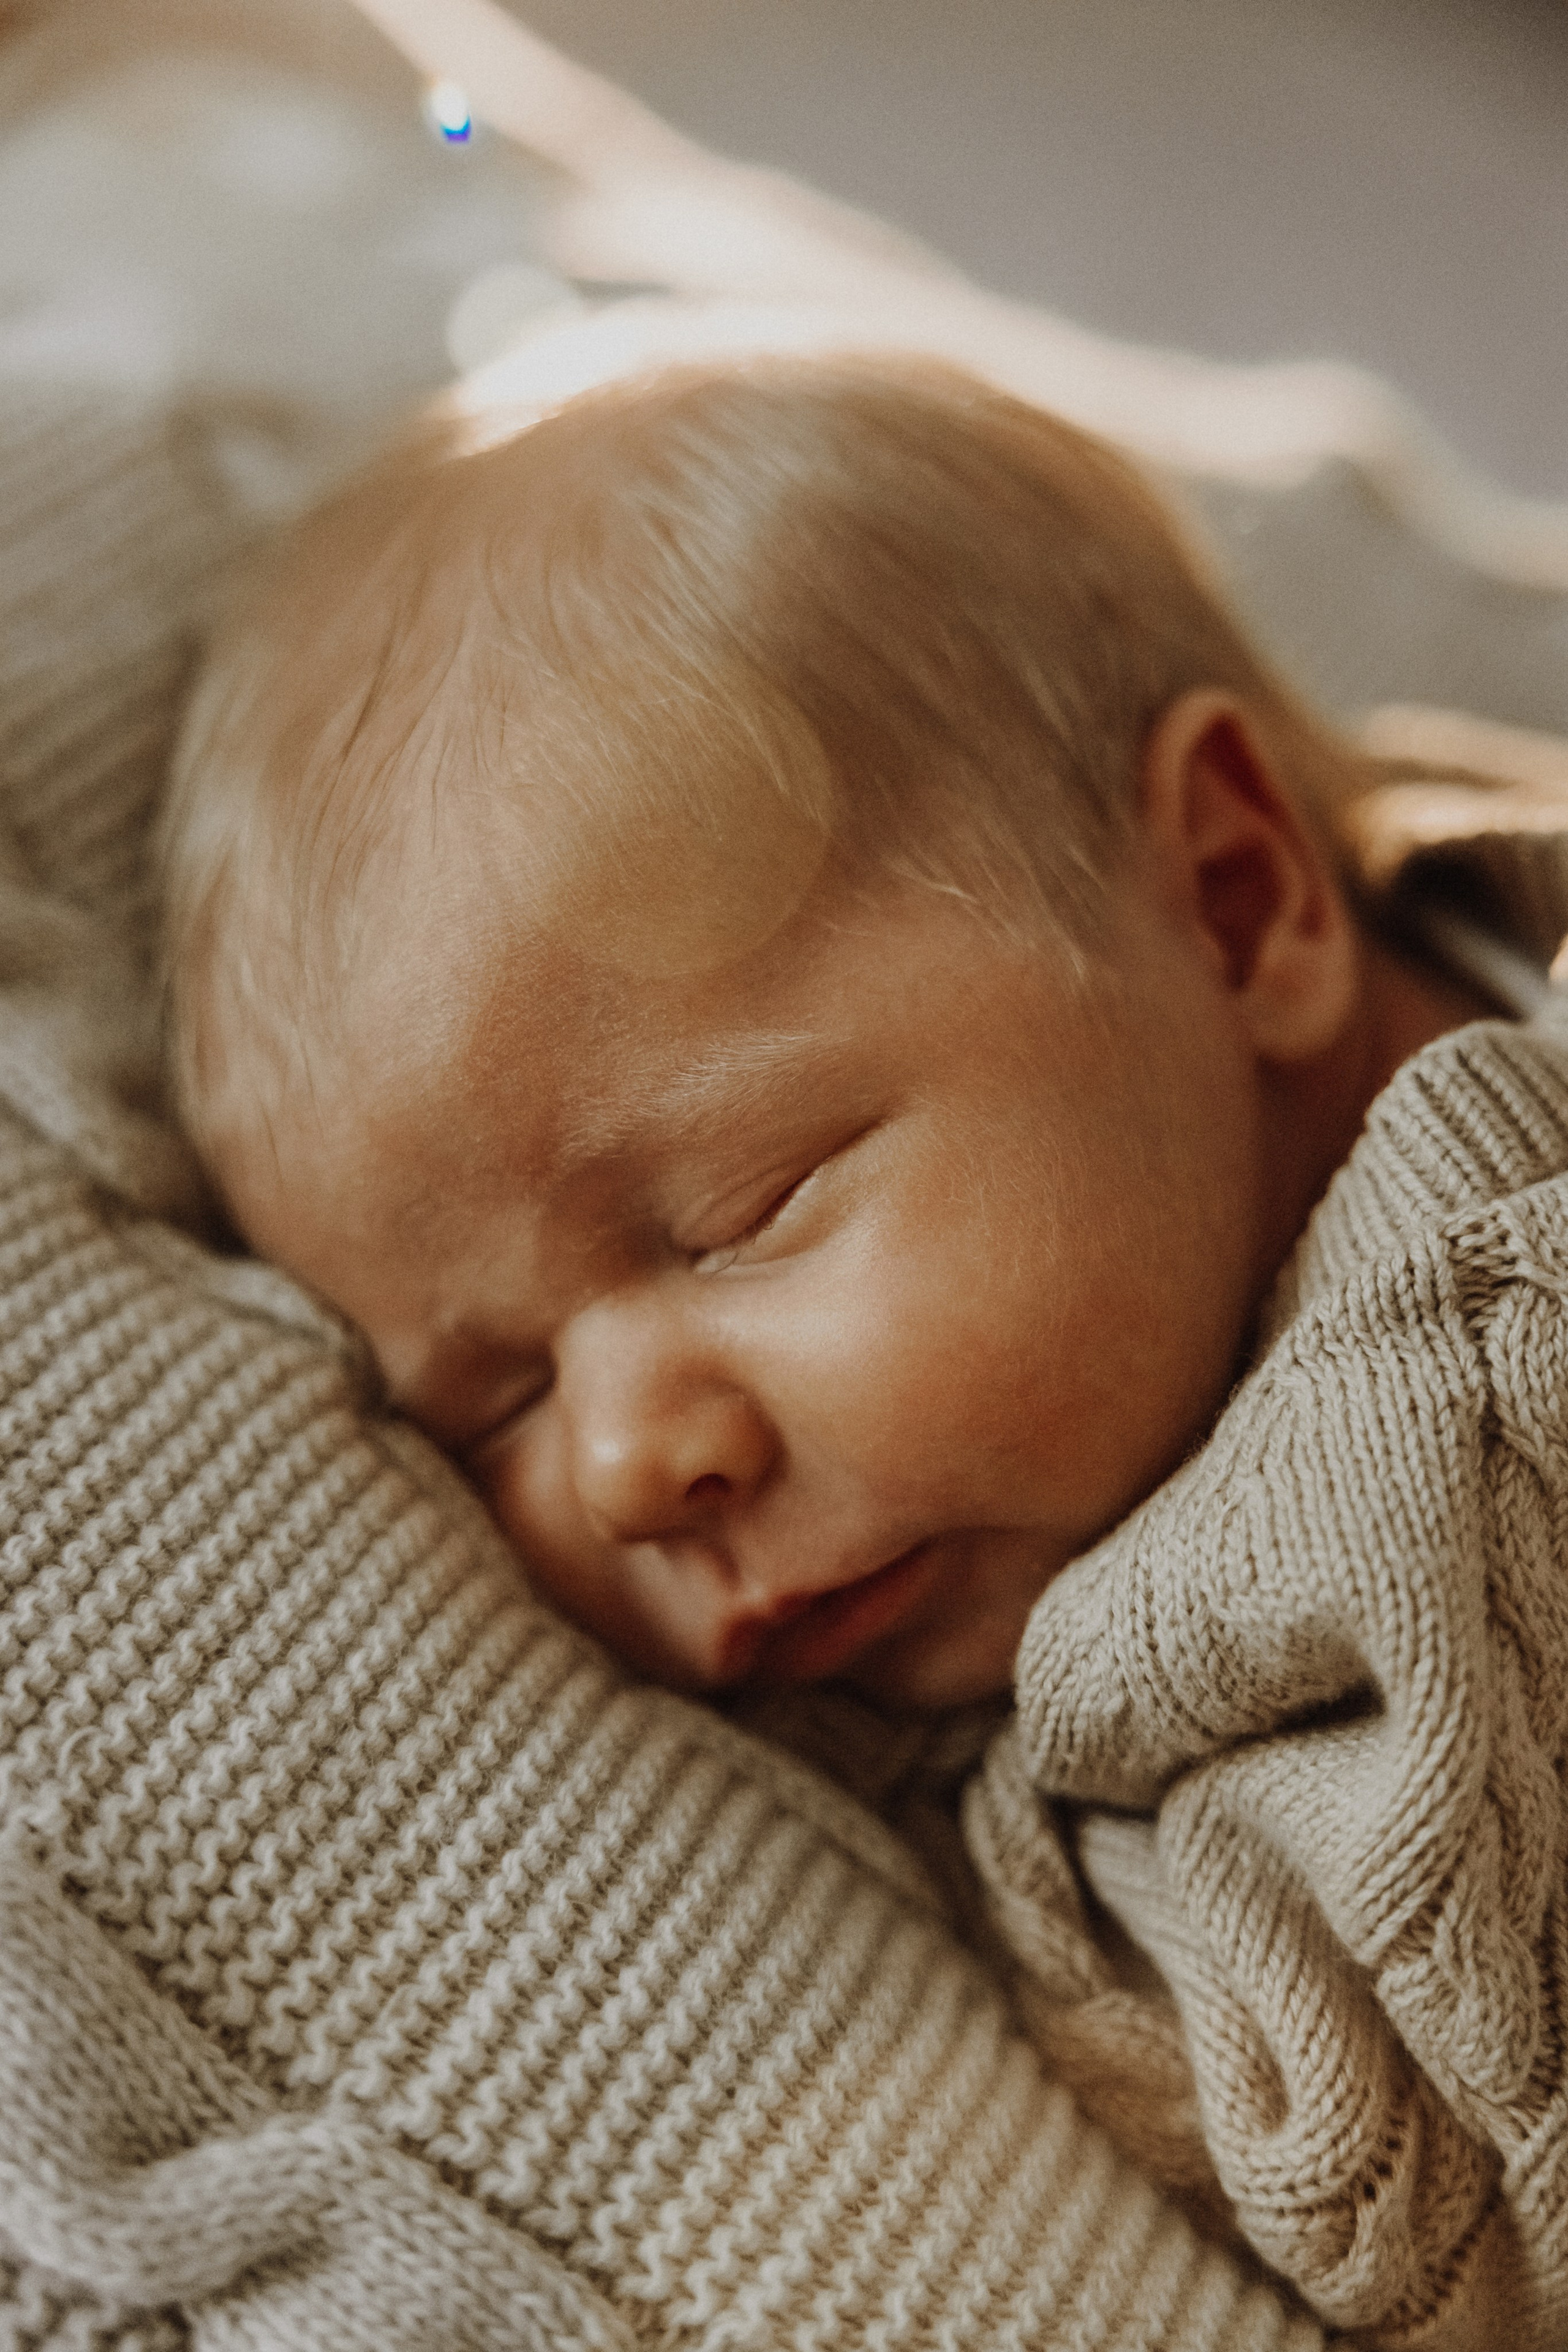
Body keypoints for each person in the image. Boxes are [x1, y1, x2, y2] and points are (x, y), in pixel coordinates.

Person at [159, 351, 1568, 2342]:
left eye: (744, 1210)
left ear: (1236, 901)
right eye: (496, 1402)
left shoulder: (1444, 1421)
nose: (635, 1463)